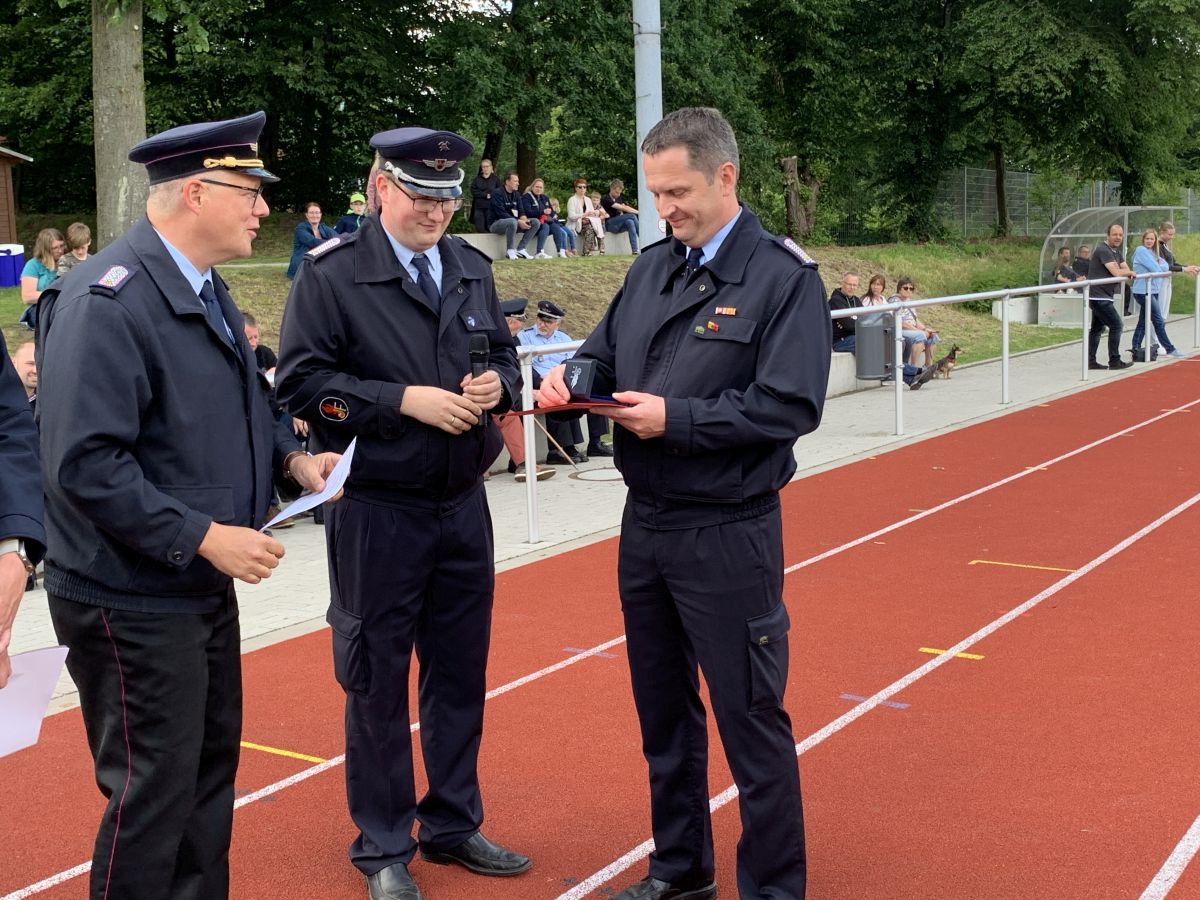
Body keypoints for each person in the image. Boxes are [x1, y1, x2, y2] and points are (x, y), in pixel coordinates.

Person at [36, 111, 341, 900]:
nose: (263, 208)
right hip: (129, 593)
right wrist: (205, 536)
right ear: (196, 193)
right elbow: (84, 464)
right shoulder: (107, 300)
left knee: (205, 787)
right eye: (249, 191)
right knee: (154, 798)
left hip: (190, 584)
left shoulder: (202, 286)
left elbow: (248, 402)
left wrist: (291, 460)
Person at [537, 106, 827, 900]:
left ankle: (773, 888)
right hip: (647, 525)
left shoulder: (782, 279)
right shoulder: (650, 268)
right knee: (663, 715)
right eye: (656, 193)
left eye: (678, 193)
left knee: (750, 719)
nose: (664, 209)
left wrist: (679, 420)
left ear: (725, 177)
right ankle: (681, 870)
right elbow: (599, 353)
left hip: (728, 529)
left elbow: (790, 405)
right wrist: (572, 380)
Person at [275, 126, 529, 900]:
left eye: (447, 199)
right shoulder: (332, 274)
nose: (435, 211)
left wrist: (498, 386)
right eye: (420, 195)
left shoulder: (470, 267)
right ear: (381, 187)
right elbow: (300, 385)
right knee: (376, 681)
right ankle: (384, 844)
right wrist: (401, 401)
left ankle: (452, 822)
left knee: (459, 675)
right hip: (378, 511)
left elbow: (505, 358)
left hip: (461, 505)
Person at [520, 299, 589, 464]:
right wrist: (545, 380)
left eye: (548, 322)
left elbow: (572, 362)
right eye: (540, 319)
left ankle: (571, 446)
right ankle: (556, 451)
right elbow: (526, 367)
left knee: (576, 393)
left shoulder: (564, 338)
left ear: (557, 323)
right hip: (538, 382)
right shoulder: (525, 337)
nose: (542, 324)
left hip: (560, 381)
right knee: (556, 396)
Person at [494, 298, 555, 481]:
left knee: (509, 414)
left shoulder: (512, 339)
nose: (521, 324)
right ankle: (523, 464)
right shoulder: (495, 339)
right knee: (508, 415)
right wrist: (524, 392)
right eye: (520, 320)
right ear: (510, 322)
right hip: (485, 394)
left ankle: (523, 464)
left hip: (503, 392)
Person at [1129, 227, 1183, 360]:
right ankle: (1170, 348)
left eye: (1152, 239)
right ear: (1143, 239)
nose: (1149, 241)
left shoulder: (1154, 253)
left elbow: (1165, 266)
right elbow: (1157, 269)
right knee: (1158, 320)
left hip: (1153, 290)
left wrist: (1160, 266)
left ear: (1155, 240)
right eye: (1147, 238)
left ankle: (1135, 348)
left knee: (1143, 321)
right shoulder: (1141, 250)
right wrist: (1159, 266)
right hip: (1143, 291)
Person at [1086, 223, 1134, 370]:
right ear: (1108, 235)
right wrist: (1126, 272)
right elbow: (1118, 273)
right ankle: (1114, 361)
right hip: (1098, 297)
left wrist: (1125, 271)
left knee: (1096, 329)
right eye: (1114, 235)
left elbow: (1126, 268)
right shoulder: (1103, 250)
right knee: (1116, 325)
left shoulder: (1116, 252)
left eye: (1120, 235)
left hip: (1104, 296)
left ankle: (1090, 361)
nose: (1118, 237)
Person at [489, 170, 541, 259]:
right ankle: (510, 250)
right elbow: (501, 214)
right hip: (496, 224)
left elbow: (521, 211)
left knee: (535, 222)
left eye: (518, 181)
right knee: (512, 221)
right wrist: (519, 221)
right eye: (515, 181)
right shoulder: (497, 193)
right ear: (507, 182)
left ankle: (521, 249)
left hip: (514, 223)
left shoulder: (516, 194)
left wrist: (524, 220)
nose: (518, 183)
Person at [19, 227, 64, 330]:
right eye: (55, 248)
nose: (60, 250)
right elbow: (27, 296)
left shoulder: (67, 261)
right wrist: (54, 294)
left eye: (61, 246)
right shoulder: (33, 265)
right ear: (45, 250)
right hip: (39, 308)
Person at [1156, 221, 1200, 323]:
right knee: (1160, 310)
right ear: (1162, 232)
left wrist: (1188, 267)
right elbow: (1165, 266)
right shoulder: (1157, 246)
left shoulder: (1165, 246)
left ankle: (1160, 330)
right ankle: (1156, 332)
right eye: (1169, 234)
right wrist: (1184, 269)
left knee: (1165, 311)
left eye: (1173, 234)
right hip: (1161, 280)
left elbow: (1173, 263)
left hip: (1167, 279)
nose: (1172, 237)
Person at [890, 276, 940, 366]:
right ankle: (914, 368)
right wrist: (919, 331)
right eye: (906, 288)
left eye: (911, 288)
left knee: (933, 336)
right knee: (920, 336)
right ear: (899, 288)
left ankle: (928, 366)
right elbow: (901, 323)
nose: (908, 290)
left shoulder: (909, 301)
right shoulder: (894, 301)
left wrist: (925, 329)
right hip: (900, 329)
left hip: (911, 329)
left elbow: (915, 319)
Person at [288, 201, 337, 278]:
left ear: (321, 214)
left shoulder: (324, 227)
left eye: (317, 213)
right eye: (311, 213)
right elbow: (313, 242)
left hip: (320, 262)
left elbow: (338, 238)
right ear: (306, 215)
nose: (314, 215)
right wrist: (332, 243)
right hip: (302, 265)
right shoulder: (300, 229)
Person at [601, 178, 640, 254]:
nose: (618, 195)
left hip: (619, 224)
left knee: (630, 222)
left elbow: (624, 207)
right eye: (616, 192)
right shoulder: (606, 199)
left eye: (619, 193)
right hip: (610, 224)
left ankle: (635, 250)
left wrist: (624, 210)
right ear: (611, 189)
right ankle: (644, 240)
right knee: (632, 216)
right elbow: (623, 208)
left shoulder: (618, 198)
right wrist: (638, 213)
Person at [520, 178, 555, 258]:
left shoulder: (544, 197)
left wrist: (550, 213)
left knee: (555, 227)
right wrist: (543, 212)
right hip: (529, 223)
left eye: (540, 187)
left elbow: (552, 212)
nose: (538, 189)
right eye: (537, 187)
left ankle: (561, 251)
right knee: (544, 225)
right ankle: (538, 251)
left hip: (542, 222)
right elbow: (528, 212)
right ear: (532, 187)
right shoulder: (526, 197)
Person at [829, 271, 861, 352]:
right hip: (839, 341)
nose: (852, 287)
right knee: (866, 341)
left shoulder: (856, 300)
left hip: (854, 337)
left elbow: (865, 320)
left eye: (854, 285)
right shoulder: (835, 300)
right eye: (849, 284)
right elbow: (848, 324)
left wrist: (852, 322)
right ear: (842, 283)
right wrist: (857, 322)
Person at [469, 158, 500, 233]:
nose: (485, 168)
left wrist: (492, 196)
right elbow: (473, 191)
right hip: (479, 208)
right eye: (483, 167)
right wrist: (485, 195)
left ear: (491, 167)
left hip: (491, 208)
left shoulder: (496, 179)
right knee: (480, 228)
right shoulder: (477, 179)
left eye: (487, 166)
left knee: (490, 228)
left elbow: (499, 192)